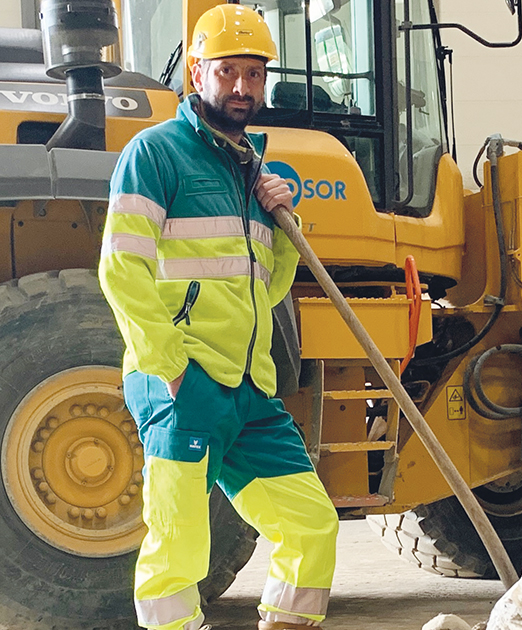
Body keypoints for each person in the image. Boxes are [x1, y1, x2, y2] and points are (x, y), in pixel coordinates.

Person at [98, 5, 338, 630]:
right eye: (227, 71)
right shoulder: (156, 153)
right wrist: (171, 368)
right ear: (198, 73)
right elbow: (122, 270)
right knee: (178, 546)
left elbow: (269, 286)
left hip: (249, 388)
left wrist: (286, 225)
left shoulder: (255, 170)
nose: (241, 87)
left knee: (310, 523)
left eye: (254, 74)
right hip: (187, 381)